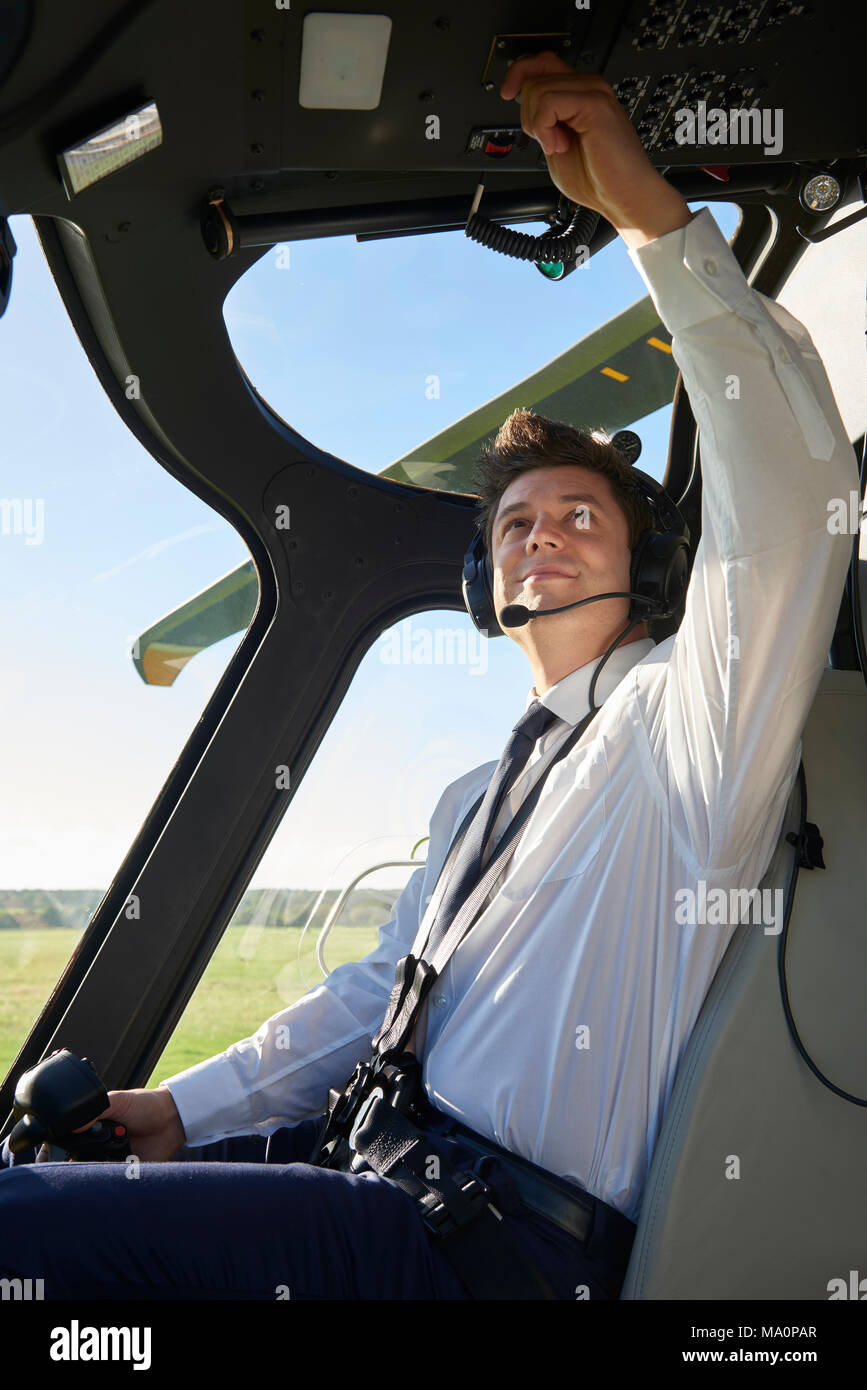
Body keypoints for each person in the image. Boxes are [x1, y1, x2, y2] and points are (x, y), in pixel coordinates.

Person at [0, 52, 857, 1301]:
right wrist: (184, 1109)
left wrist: (652, 222)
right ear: (482, 586)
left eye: (579, 516)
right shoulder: (474, 797)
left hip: (498, 1251)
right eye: (515, 525)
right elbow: (370, 1004)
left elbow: (790, 502)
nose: (541, 535)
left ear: (655, 563)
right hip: (387, 1182)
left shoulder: (689, 727)